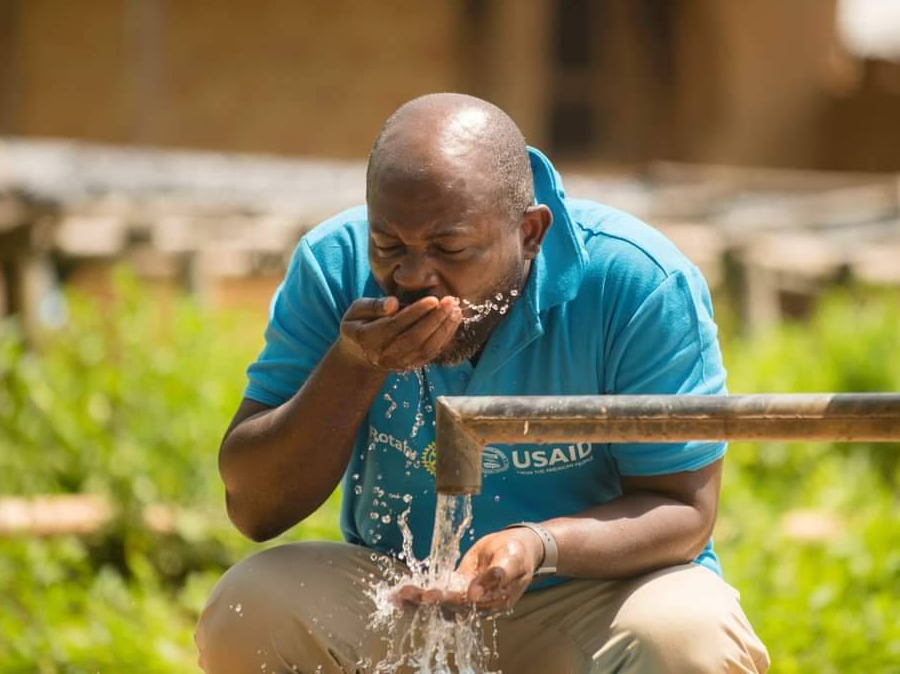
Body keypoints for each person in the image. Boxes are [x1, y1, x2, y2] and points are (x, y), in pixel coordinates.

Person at [195, 93, 769, 673]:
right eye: (388, 246)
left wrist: (538, 545)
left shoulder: (636, 282)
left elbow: (683, 508)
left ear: (530, 233)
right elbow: (255, 508)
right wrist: (354, 366)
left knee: (686, 637)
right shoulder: (336, 266)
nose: (413, 276)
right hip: (404, 592)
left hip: (592, 599)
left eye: (450, 249)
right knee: (251, 609)